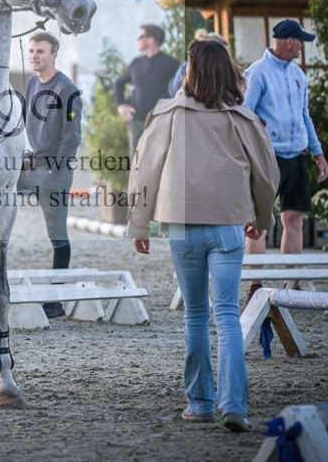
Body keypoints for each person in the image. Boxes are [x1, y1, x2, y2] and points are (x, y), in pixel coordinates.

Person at [129, 39, 278, 433]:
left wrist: (139, 224)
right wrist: (262, 216)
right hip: (228, 225)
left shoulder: (169, 113)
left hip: (180, 226)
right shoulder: (242, 117)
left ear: (190, 72)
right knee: (227, 315)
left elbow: (144, 170)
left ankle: (199, 404)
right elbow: (266, 171)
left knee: (195, 316)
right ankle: (235, 406)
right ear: (229, 70)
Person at [0, 32, 82, 319]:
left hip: (52, 171)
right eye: (32, 51)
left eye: (41, 52)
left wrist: (57, 165)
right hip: (27, 165)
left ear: (54, 54)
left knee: (57, 235)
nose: (34, 55)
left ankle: (55, 300)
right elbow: (21, 122)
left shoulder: (67, 90)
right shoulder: (33, 82)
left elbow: (73, 136)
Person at [242, 19, 328, 296]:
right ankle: (256, 284)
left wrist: (317, 152)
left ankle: (290, 283)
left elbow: (305, 116)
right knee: (259, 221)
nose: (304, 46)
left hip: (297, 157)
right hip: (268, 158)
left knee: (294, 219)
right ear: (290, 41)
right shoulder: (256, 73)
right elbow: (244, 116)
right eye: (301, 41)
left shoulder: (298, 74)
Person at [114, 24, 179, 152]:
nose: (137, 39)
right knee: (136, 165)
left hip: (161, 122)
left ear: (151, 39)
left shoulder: (172, 64)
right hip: (136, 121)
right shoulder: (136, 63)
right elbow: (118, 83)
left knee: (160, 164)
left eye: (140, 36)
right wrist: (121, 104)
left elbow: (182, 89)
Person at [167, 30, 229, 96]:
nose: (227, 59)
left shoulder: (226, 70)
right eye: (223, 55)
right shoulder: (187, 69)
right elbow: (175, 90)